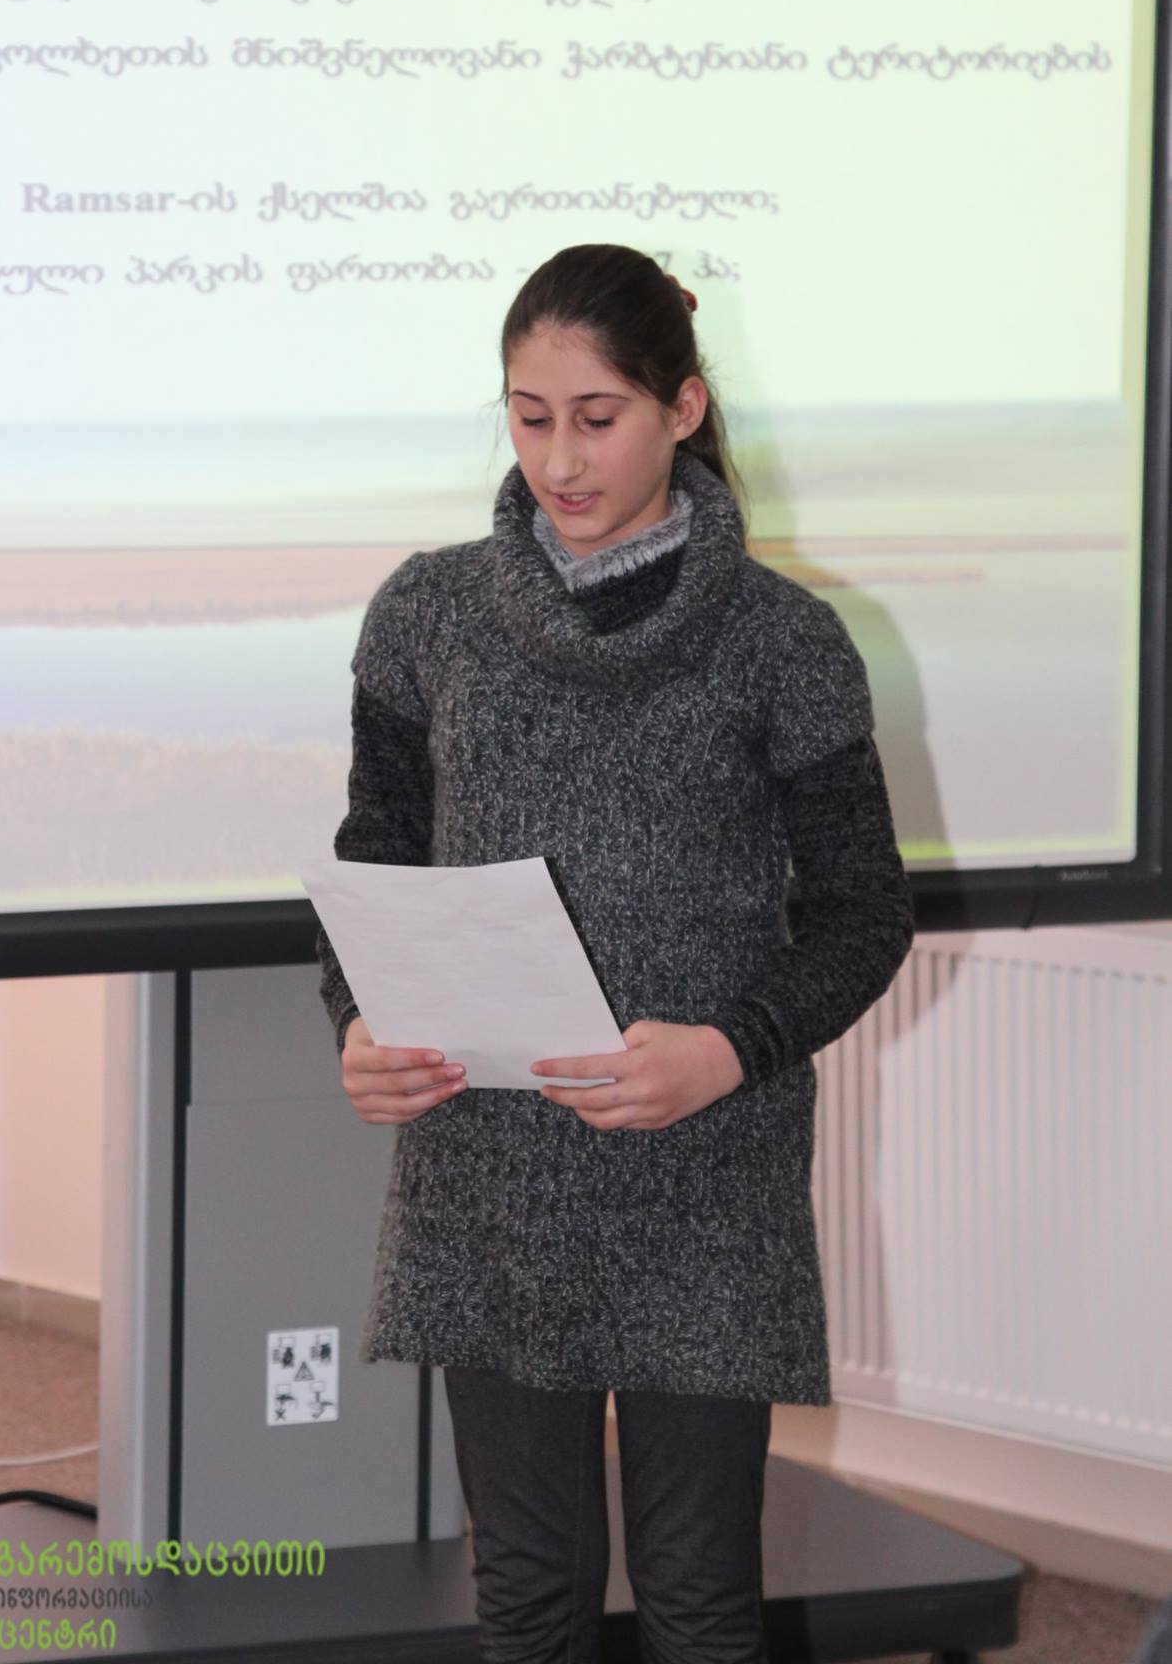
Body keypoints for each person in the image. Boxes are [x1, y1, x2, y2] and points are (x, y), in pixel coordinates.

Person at [315, 241, 916, 1664]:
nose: (560, 460)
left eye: (597, 418)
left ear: (683, 409)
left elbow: (863, 915)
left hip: (704, 1171)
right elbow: (377, 854)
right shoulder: (427, 613)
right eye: (529, 418)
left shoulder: (785, 640)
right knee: (524, 1598)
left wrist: (725, 1052)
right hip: (487, 1161)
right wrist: (358, 1017)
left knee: (700, 1602)